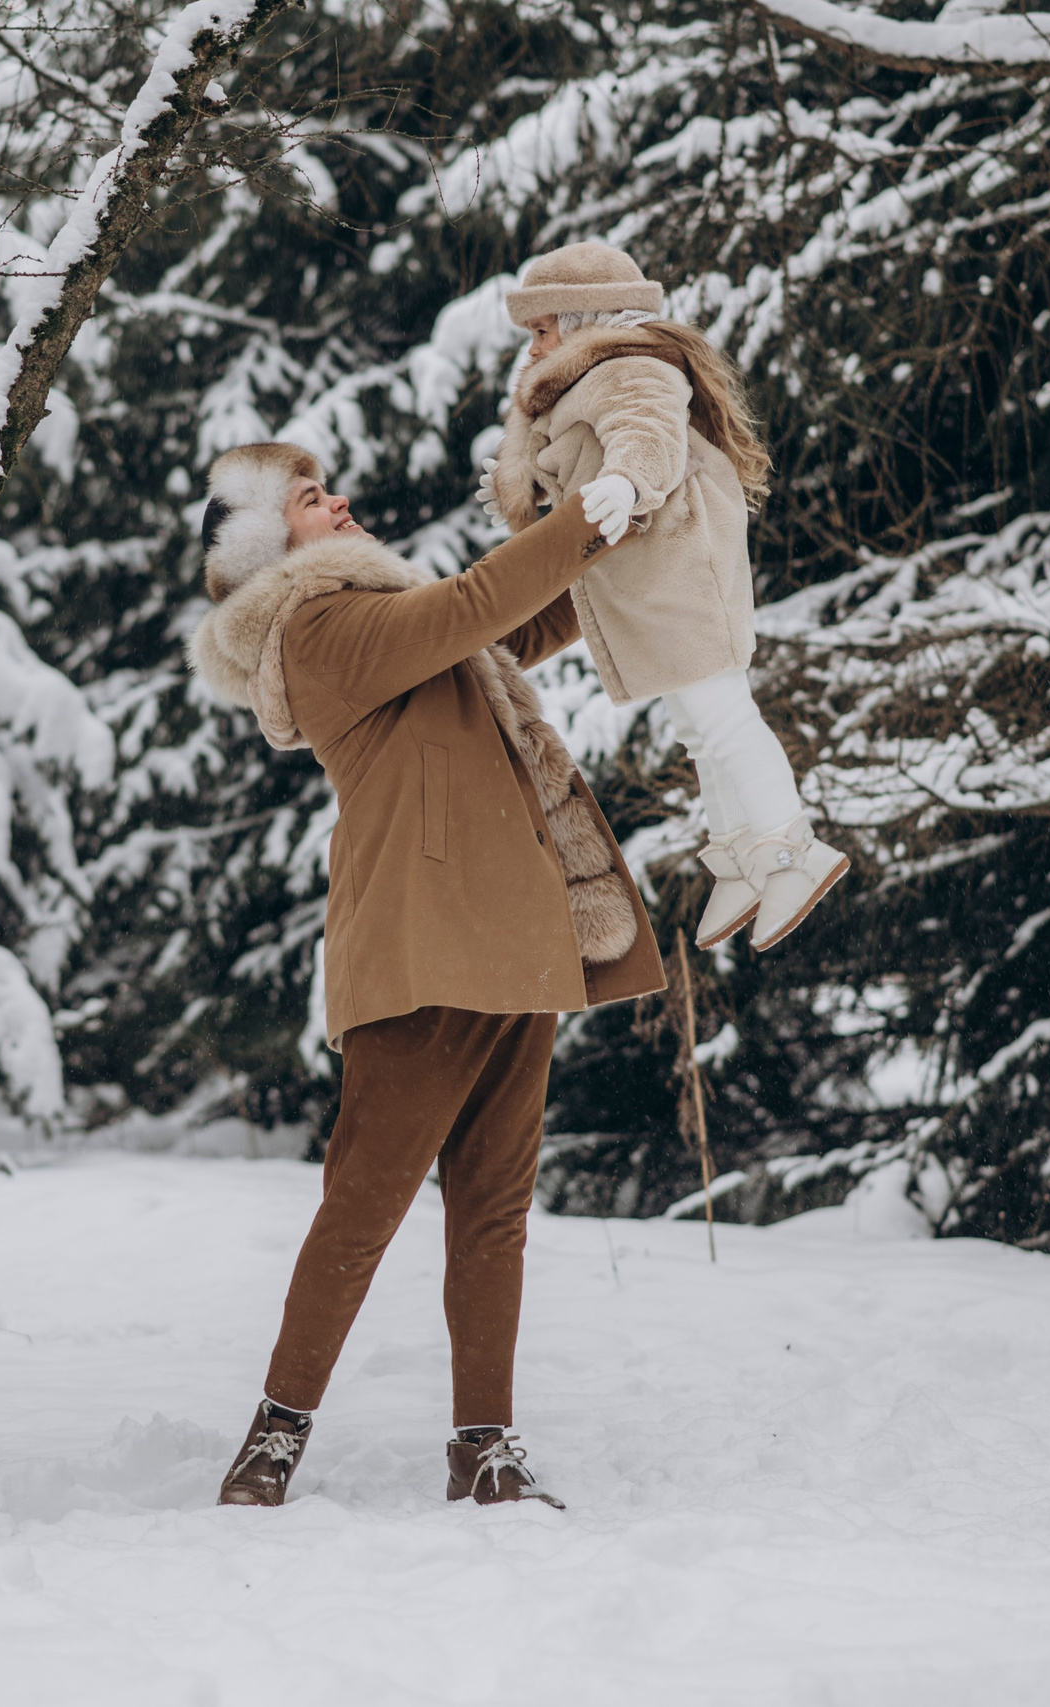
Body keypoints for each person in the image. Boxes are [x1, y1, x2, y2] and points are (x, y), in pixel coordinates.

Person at [190, 443, 665, 1510]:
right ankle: (275, 1433)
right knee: (363, 1205)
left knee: (494, 1211)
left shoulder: (395, 620)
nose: (340, 501)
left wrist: (626, 521)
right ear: (264, 544)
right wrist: (586, 517)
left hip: (515, 941)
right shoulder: (314, 627)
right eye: (311, 498)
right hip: (421, 945)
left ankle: (483, 1448)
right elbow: (478, 604)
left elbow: (520, 618)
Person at [479, 240, 846, 951]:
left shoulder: (628, 365)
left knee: (724, 718)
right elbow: (585, 456)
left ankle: (792, 850)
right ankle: (739, 853)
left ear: (584, 320)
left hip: (680, 573)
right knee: (699, 727)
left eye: (543, 329)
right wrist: (544, 488)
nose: (535, 347)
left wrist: (626, 482)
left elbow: (645, 433)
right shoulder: (585, 382)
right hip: (650, 585)